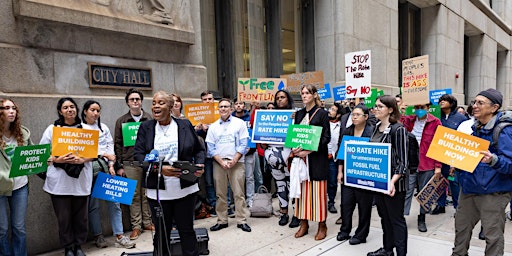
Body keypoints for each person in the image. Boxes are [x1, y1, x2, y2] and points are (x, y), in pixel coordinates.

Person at [134, 91, 205, 256]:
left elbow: (199, 149)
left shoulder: (184, 125)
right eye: (154, 103)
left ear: (171, 106)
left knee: (186, 231)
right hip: (158, 193)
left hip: (185, 190)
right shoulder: (146, 128)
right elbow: (138, 156)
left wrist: (199, 164)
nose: (156, 106)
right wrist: (159, 168)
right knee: (161, 234)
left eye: (161, 103)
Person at [452, 89, 512, 256]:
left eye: (480, 103)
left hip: (493, 193)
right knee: (461, 229)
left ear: (494, 108)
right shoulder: (475, 127)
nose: (474, 106)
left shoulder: (505, 130)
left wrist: (494, 160)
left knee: (492, 236)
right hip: (469, 188)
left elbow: (510, 164)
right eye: (474, 102)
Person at [41, 98, 93, 256]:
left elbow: (94, 153)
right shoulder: (52, 129)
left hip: (81, 180)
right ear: (60, 111)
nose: (70, 110)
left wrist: (83, 159)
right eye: (65, 107)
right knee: (64, 218)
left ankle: (78, 246)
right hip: (59, 182)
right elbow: (43, 153)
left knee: (81, 218)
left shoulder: (86, 129)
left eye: (72, 106)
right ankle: (68, 247)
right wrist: (58, 159)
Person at [82, 100, 135, 249]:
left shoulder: (103, 127)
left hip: (105, 167)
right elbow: (84, 149)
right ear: (85, 111)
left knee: (114, 202)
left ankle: (119, 235)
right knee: (93, 205)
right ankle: (98, 236)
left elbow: (110, 145)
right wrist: (103, 153)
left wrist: (111, 164)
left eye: (98, 110)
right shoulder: (80, 128)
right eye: (92, 110)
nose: (95, 113)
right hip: (89, 168)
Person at [367, 95, 408, 256]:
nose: (376, 109)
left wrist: (392, 181)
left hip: (394, 184)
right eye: (375, 106)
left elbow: (403, 162)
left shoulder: (398, 129)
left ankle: (401, 253)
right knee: (384, 217)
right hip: (379, 182)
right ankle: (388, 249)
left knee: (396, 220)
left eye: (380, 107)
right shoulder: (376, 127)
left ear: (390, 110)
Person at [206, 98, 252, 232]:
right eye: (221, 107)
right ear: (218, 109)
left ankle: (241, 220)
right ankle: (222, 220)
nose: (223, 109)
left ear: (231, 109)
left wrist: (234, 160)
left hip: (236, 162)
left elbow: (244, 143)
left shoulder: (240, 124)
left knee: (239, 193)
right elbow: (210, 147)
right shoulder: (213, 127)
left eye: (226, 106)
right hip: (219, 164)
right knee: (220, 194)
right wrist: (221, 162)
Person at [114, 88, 154, 240]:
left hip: (146, 161)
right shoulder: (122, 121)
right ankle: (136, 226)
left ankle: (147, 222)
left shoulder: (149, 118)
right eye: (132, 99)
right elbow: (117, 144)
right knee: (134, 195)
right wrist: (119, 165)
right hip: (130, 163)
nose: (135, 102)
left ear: (141, 101)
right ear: (128, 103)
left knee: (146, 193)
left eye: (137, 99)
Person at [292, 85, 331, 241]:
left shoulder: (322, 114)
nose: (304, 96)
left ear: (315, 95)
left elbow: (326, 137)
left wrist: (309, 150)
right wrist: (295, 149)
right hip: (300, 160)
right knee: (301, 193)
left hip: (316, 160)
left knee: (318, 194)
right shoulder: (299, 114)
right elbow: (295, 135)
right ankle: (304, 224)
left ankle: (322, 225)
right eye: (302, 93)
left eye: (307, 93)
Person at [336, 105, 375, 245]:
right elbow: (341, 154)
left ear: (366, 117)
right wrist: (340, 172)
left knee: (364, 206)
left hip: (365, 175)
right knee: (346, 204)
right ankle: (345, 230)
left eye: (358, 114)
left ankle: (361, 234)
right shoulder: (347, 131)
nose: (354, 117)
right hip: (348, 174)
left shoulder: (372, 132)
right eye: (353, 114)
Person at [261, 90, 299, 227]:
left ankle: (297, 214)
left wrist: (297, 118)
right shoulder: (268, 117)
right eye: (277, 98)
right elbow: (262, 141)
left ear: (288, 99)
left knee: (292, 185)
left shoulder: (296, 115)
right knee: (280, 185)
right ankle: (284, 212)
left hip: (290, 156)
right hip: (273, 157)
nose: (280, 100)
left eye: (282, 97)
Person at [401, 102, 442, 232]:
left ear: (428, 108)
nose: (419, 110)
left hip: (428, 163)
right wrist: (401, 111)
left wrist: (438, 167)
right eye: (416, 107)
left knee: (426, 193)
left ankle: (422, 217)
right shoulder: (408, 120)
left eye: (422, 108)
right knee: (407, 191)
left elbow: (438, 145)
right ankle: (402, 217)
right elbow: (398, 129)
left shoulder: (435, 122)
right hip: (411, 162)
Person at [0, 99, 32, 256]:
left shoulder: (23, 133)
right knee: (2, 229)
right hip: (0, 186)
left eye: (13, 108)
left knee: (19, 227)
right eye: (6, 108)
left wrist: (45, 160)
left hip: (20, 185)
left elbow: (32, 155)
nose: (11, 111)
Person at [432, 94, 467, 215]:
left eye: (444, 100)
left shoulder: (460, 119)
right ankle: (440, 205)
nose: (441, 102)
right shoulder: (436, 116)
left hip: (454, 156)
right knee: (439, 181)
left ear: (451, 103)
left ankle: (458, 208)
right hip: (438, 154)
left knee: (454, 182)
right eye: (440, 100)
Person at [195, 90, 218, 215]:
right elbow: (193, 137)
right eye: (205, 99)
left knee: (222, 180)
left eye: (210, 99)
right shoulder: (198, 116)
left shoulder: (220, 113)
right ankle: (213, 205)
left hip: (220, 153)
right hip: (207, 154)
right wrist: (199, 129)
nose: (208, 101)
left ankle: (227, 204)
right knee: (209, 181)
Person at [232, 99, 256, 208]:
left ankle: (250, 199)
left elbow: (254, 133)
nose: (238, 106)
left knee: (249, 177)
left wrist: (250, 148)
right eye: (236, 104)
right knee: (236, 178)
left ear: (244, 106)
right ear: (233, 106)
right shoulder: (230, 119)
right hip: (234, 154)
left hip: (249, 152)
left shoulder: (250, 118)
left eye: (240, 104)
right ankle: (238, 201)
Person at [327, 103, 343, 214]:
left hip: (333, 158)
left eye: (333, 110)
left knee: (332, 182)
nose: (329, 111)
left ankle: (331, 202)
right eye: (330, 108)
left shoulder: (341, 127)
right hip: (321, 157)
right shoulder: (323, 123)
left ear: (338, 115)